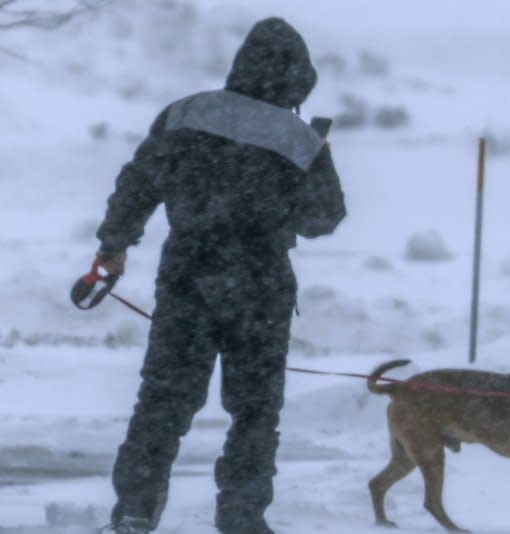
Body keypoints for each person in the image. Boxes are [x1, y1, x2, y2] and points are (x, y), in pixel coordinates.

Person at [92, 18, 346, 534]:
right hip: (260, 286)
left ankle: (136, 512)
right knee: (255, 411)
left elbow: (138, 183)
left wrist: (113, 246)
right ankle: (242, 518)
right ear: (298, 80)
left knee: (163, 400)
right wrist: (316, 161)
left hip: (189, 275)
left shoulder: (187, 114)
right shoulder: (299, 139)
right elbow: (324, 219)